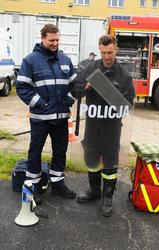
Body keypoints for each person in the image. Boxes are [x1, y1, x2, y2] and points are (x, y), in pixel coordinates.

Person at [73, 35, 135, 217]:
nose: (107, 56)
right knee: (91, 160)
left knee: (109, 162)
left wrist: (111, 93)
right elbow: (75, 91)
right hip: (92, 125)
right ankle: (94, 191)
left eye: (110, 52)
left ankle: (107, 197)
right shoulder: (90, 68)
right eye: (103, 53)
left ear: (116, 49)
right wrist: (85, 87)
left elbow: (128, 104)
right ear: (99, 50)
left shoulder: (123, 74)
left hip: (112, 127)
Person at [16, 23, 77, 202]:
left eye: (57, 40)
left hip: (61, 118)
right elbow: (22, 87)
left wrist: (69, 98)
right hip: (40, 119)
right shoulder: (30, 60)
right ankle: (32, 188)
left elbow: (74, 85)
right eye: (51, 40)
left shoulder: (65, 59)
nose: (55, 43)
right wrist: (41, 104)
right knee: (35, 153)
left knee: (60, 152)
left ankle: (58, 185)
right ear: (43, 38)